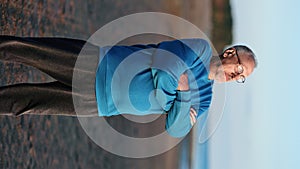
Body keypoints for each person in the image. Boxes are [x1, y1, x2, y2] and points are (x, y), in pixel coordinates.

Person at [0, 35, 257, 137]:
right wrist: (176, 103)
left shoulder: (205, 100)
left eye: (242, 76)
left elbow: (176, 129)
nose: (237, 76)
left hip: (100, 104)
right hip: (99, 64)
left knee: (26, 103)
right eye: (239, 67)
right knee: (23, 51)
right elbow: (164, 65)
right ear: (230, 53)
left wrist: (184, 90)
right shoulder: (200, 48)